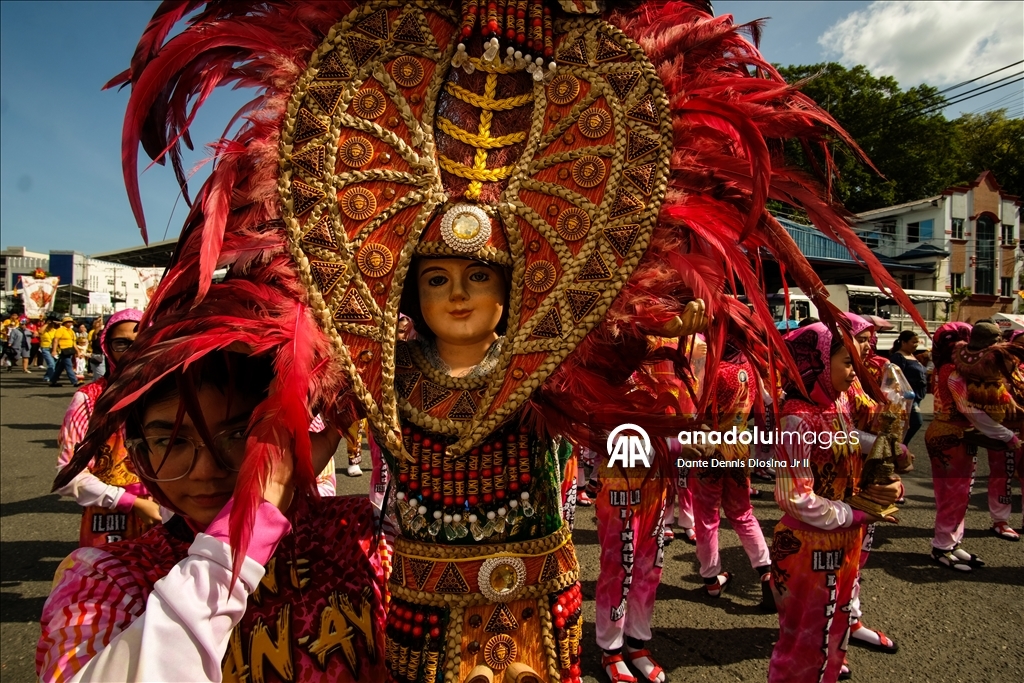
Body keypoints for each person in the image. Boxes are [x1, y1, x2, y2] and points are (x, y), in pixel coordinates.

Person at [100, 2, 928, 680]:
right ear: (408, 292)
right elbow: (290, 447)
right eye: (437, 279)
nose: (458, 294)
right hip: (423, 613)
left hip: (540, 604)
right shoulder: (381, 368)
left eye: (479, 279)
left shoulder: (553, 364)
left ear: (515, 293)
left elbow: (652, 368)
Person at [40, 351, 386, 682]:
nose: (206, 470)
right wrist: (251, 525)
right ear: (139, 453)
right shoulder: (106, 581)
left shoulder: (363, 538)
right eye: (171, 440)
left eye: (237, 435)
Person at [768, 323, 901, 683]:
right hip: (809, 543)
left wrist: (885, 451)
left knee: (836, 625)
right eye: (846, 361)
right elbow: (793, 497)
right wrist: (857, 511)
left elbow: (846, 437)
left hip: (845, 534)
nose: (854, 371)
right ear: (816, 363)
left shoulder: (837, 401)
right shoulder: (796, 418)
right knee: (802, 643)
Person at [54, 309, 163, 547]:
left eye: (142, 341)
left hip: (168, 515)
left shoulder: (169, 396)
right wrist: (131, 502)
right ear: (107, 348)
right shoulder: (89, 400)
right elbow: (68, 475)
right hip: (111, 517)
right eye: (122, 343)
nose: (133, 351)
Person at [687, 333, 773, 611]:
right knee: (742, 513)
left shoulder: (709, 369)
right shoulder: (749, 365)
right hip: (738, 445)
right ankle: (766, 571)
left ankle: (711, 578)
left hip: (708, 447)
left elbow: (691, 410)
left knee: (707, 516)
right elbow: (769, 401)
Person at [930, 320, 1020, 568]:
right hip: (948, 435)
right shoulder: (952, 370)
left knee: (962, 494)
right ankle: (941, 547)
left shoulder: (960, 368)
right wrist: (1006, 435)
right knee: (952, 495)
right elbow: (967, 409)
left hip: (962, 437)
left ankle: (951, 542)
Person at [889, 331, 927, 444]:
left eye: (917, 342)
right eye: (913, 342)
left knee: (907, 425)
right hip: (906, 398)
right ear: (904, 342)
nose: (916, 344)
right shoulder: (898, 357)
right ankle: (900, 445)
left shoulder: (912, 356)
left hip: (917, 398)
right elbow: (895, 378)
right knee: (917, 422)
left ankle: (901, 448)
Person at [49, 316, 81, 387]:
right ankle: (74, 381)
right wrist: (54, 350)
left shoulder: (71, 331)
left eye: (71, 322)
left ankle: (53, 381)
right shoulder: (60, 330)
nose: (70, 323)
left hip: (69, 350)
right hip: (63, 350)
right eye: (68, 322)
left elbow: (74, 343)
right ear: (64, 323)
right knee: (69, 366)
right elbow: (55, 340)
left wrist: (78, 351)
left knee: (61, 367)